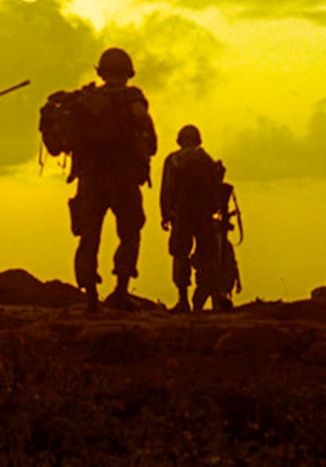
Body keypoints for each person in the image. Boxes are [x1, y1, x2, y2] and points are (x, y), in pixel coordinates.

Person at [68, 48, 157, 312]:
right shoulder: (132, 96)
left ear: (101, 71)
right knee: (129, 232)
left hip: (90, 178)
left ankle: (92, 297)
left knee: (89, 236)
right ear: (128, 73)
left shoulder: (86, 99)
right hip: (122, 177)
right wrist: (148, 141)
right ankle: (120, 290)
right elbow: (141, 118)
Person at [160, 124, 229, 313]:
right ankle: (215, 295)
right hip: (204, 214)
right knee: (208, 256)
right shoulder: (206, 159)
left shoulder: (174, 160)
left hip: (182, 215)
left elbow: (167, 189)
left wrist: (166, 213)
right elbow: (216, 186)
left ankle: (183, 300)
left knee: (180, 255)